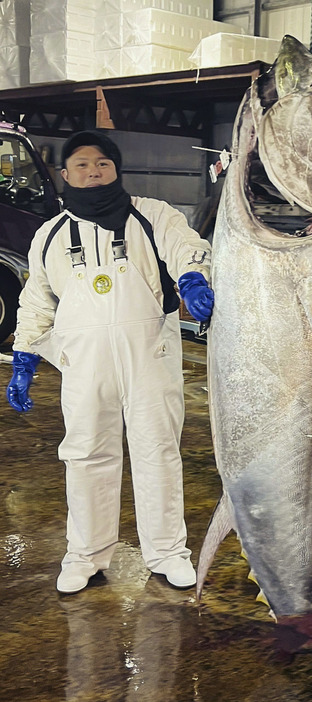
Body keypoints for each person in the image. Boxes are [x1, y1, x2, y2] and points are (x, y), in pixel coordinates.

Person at [6, 130, 214, 594]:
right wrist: (23, 355)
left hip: (149, 355)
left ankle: (166, 552)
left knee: (156, 450)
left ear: (116, 169)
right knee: (85, 455)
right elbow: (37, 298)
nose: (93, 170)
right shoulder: (51, 235)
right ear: (65, 174)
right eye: (81, 164)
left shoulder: (152, 214)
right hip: (84, 364)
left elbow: (186, 246)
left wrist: (194, 277)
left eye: (102, 163)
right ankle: (85, 555)